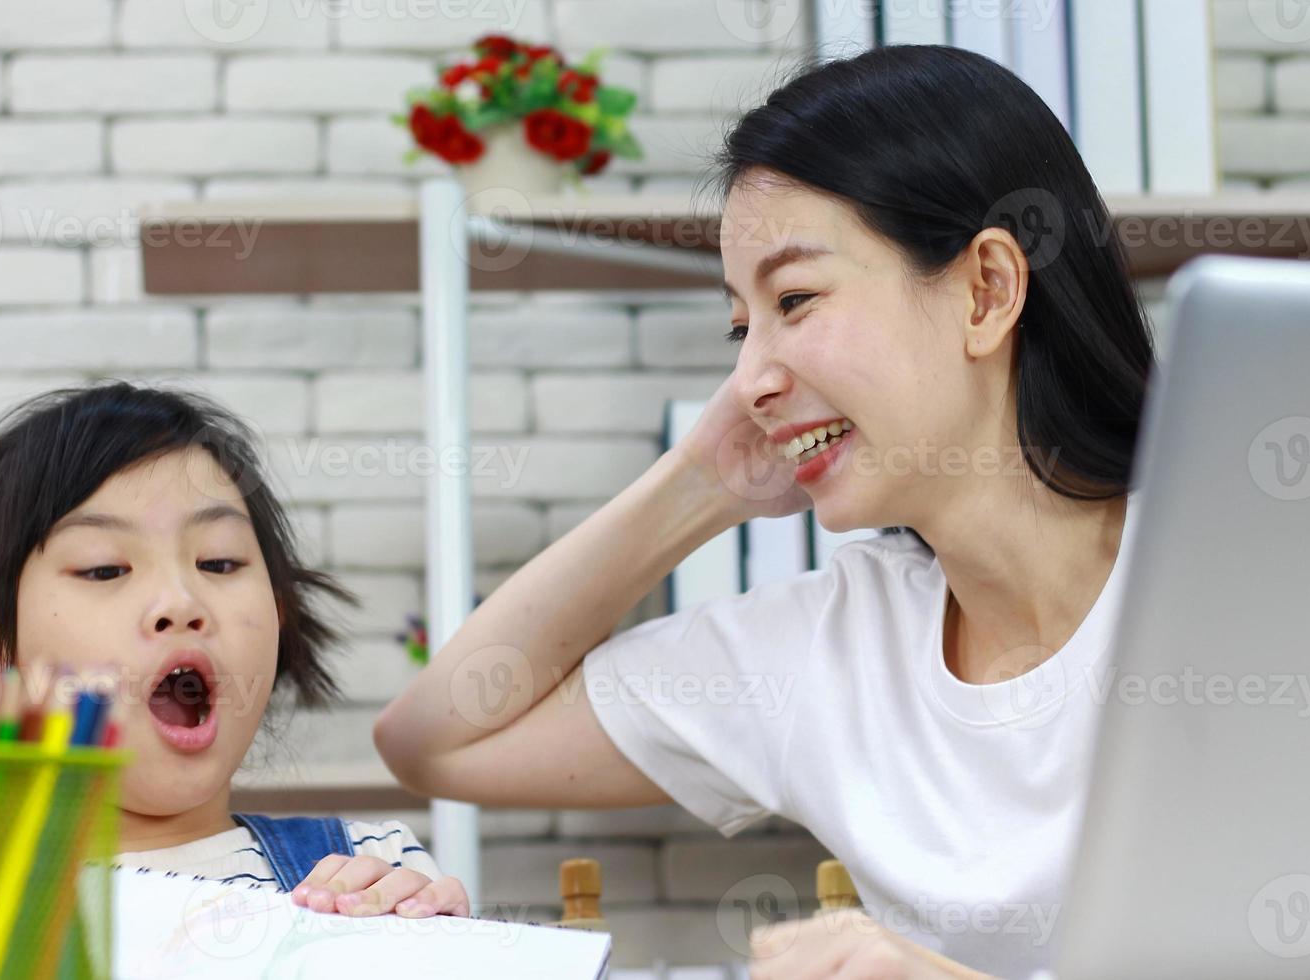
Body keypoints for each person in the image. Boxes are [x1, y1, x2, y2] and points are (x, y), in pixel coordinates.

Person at [329, 43, 1154, 979]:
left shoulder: (1249, 589)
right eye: (739, 325)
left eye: (794, 299)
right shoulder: (832, 646)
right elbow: (436, 740)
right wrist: (699, 484)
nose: (750, 379)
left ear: (987, 289)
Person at [0, 382, 468, 918]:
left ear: (278, 615)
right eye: (104, 568)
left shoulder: (372, 866)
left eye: (219, 563)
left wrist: (430, 947)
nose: (180, 602)